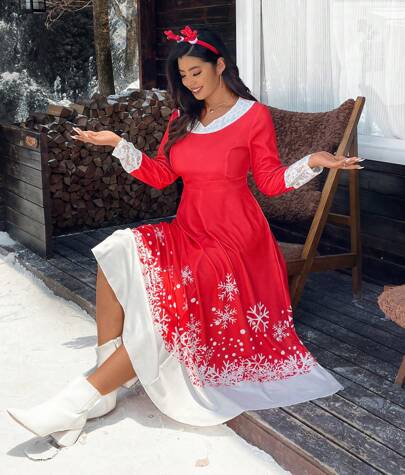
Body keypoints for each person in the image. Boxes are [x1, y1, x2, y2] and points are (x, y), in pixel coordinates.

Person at [7, 25, 363, 448]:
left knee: (168, 310)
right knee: (114, 250)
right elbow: (162, 175)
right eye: (183, 75)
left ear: (220, 65)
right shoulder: (183, 118)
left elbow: (269, 182)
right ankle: (105, 386)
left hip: (235, 240)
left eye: (197, 72)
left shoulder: (253, 116)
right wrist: (119, 144)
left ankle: (78, 400)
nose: (191, 82)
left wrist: (312, 162)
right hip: (189, 228)